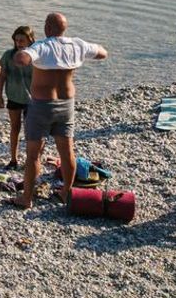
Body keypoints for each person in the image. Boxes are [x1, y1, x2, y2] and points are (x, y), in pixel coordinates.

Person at [14, 11, 107, 210]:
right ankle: (66, 193)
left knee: (33, 155)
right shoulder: (77, 44)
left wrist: (20, 55)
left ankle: (27, 198)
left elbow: (23, 58)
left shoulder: (42, 46)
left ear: (47, 28)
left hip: (41, 106)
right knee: (66, 152)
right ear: (64, 29)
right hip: (66, 105)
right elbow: (102, 52)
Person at [0, 25, 35, 168]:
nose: (19, 43)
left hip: (32, 100)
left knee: (30, 131)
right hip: (13, 97)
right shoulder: (8, 55)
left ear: (30, 40)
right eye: (16, 40)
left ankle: (30, 160)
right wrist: (0, 96)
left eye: (22, 40)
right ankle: (13, 159)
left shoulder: (35, 57)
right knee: (14, 128)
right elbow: (2, 76)